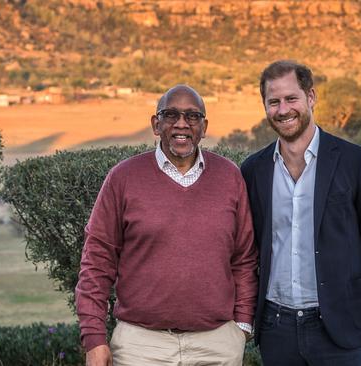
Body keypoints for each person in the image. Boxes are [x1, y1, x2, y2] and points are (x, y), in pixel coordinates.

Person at [76, 84, 258, 366]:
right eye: (171, 115)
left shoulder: (229, 177)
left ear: (204, 126)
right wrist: (94, 339)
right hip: (141, 345)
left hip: (217, 345)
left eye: (192, 116)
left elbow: (244, 257)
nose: (182, 124)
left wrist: (242, 325)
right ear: (156, 124)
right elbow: (97, 261)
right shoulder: (123, 178)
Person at [240, 60, 361, 366]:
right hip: (277, 328)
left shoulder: (356, 162)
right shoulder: (254, 170)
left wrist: (345, 289)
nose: (283, 110)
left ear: (311, 97)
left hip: (338, 327)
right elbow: (250, 245)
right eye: (274, 102)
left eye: (291, 98)